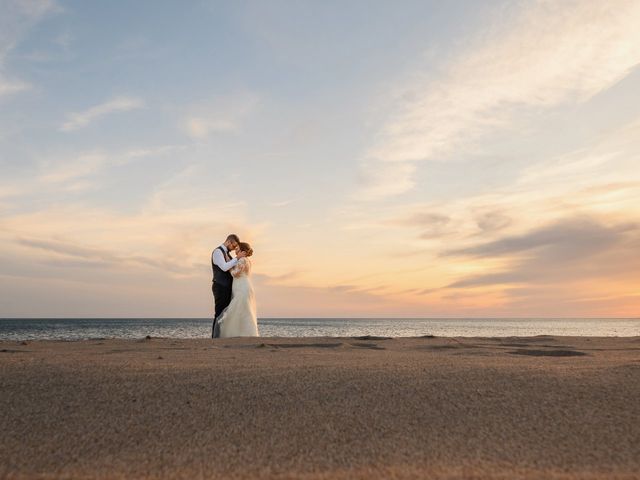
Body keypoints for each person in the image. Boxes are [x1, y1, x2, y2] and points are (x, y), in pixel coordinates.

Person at [216, 242, 259, 338]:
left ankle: (241, 333)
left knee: (239, 309)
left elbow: (235, 274)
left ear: (242, 250)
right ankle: (243, 333)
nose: (235, 249)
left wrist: (229, 265)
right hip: (242, 286)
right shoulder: (245, 260)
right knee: (242, 309)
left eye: (237, 248)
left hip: (242, 287)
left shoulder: (242, 260)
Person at [211, 234, 246, 338]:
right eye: (233, 246)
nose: (234, 248)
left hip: (227, 288)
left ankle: (222, 336)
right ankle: (215, 337)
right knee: (219, 313)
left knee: (225, 314)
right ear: (229, 242)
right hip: (220, 287)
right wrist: (237, 258)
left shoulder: (227, 254)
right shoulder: (217, 252)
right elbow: (224, 267)